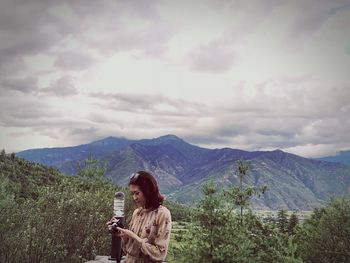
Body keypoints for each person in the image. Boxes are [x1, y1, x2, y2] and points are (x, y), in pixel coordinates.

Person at [109, 171, 172, 263]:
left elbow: (160, 255)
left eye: (137, 193)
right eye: (132, 194)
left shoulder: (162, 214)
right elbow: (127, 250)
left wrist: (135, 237)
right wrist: (123, 235)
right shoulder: (137, 212)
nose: (134, 198)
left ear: (148, 192)